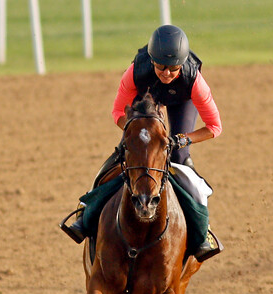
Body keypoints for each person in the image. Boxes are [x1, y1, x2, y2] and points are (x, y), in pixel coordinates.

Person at [61, 24, 223, 262]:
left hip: (181, 102)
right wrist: (137, 134)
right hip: (143, 104)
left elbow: (214, 127)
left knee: (180, 161)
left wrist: (181, 140)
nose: (166, 74)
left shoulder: (194, 80)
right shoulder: (136, 72)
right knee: (125, 156)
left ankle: (202, 233)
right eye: (161, 67)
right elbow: (118, 112)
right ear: (151, 60)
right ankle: (85, 216)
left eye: (173, 68)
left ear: (182, 64)